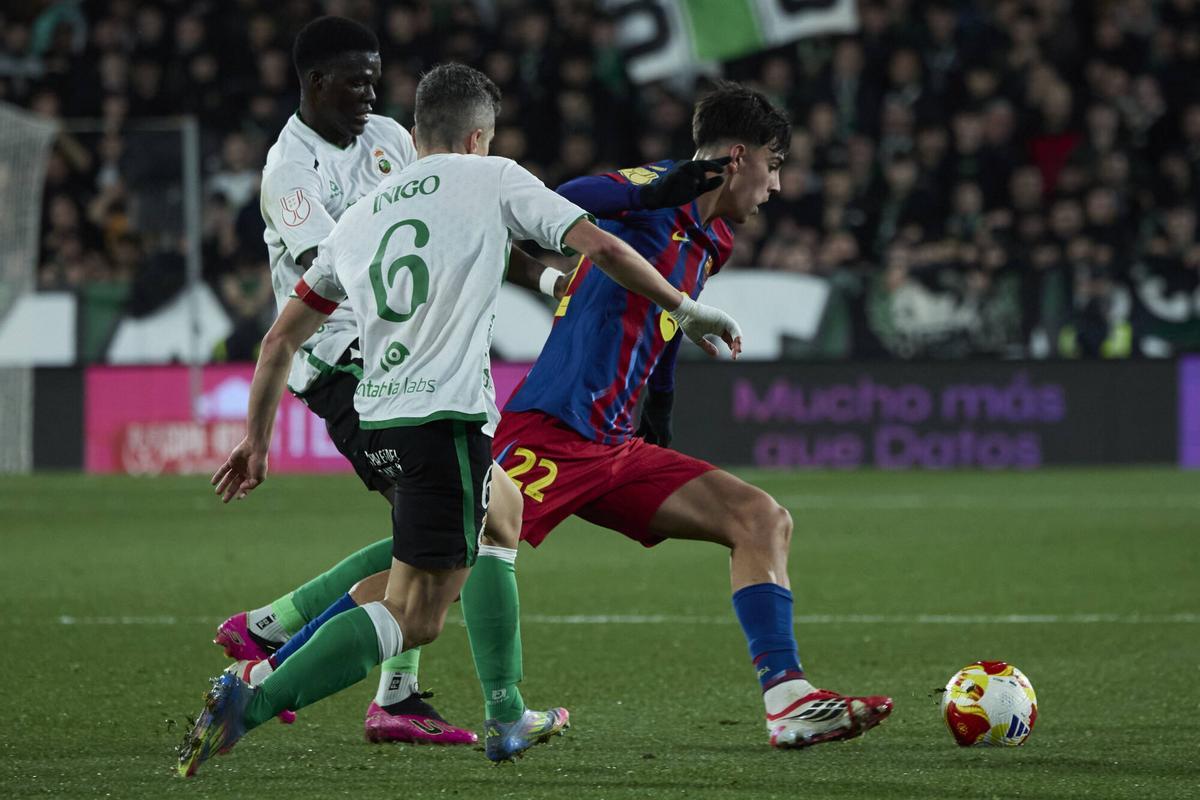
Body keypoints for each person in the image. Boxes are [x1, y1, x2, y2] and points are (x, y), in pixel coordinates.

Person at [225, 81, 894, 751]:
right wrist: (651, 193)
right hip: (554, 428)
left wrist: (659, 407)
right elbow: (570, 194)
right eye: (773, 166)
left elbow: (668, 316)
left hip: (617, 443)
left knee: (761, 519)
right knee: (435, 566)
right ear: (740, 157)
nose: (776, 186)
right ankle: (270, 651)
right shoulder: (655, 190)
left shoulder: (712, 237)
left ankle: (788, 700)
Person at [177, 62, 742, 776]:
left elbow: (278, 340)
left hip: (381, 419)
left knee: (502, 514)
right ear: (480, 137)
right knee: (415, 614)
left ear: (415, 135)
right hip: (444, 420)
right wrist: (685, 309)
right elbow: (601, 245)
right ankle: (252, 696)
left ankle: (507, 713)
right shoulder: (492, 176)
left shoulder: (364, 214)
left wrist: (255, 442)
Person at [215, 15, 567, 744]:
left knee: (458, 524)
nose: (370, 95)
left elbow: (452, 219)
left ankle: (334, 662)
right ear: (316, 83)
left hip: (398, 358)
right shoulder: (291, 172)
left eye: (376, 81)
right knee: (477, 521)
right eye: (356, 82)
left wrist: (542, 276)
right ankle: (292, 653)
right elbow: (335, 273)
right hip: (345, 362)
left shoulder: (388, 139)